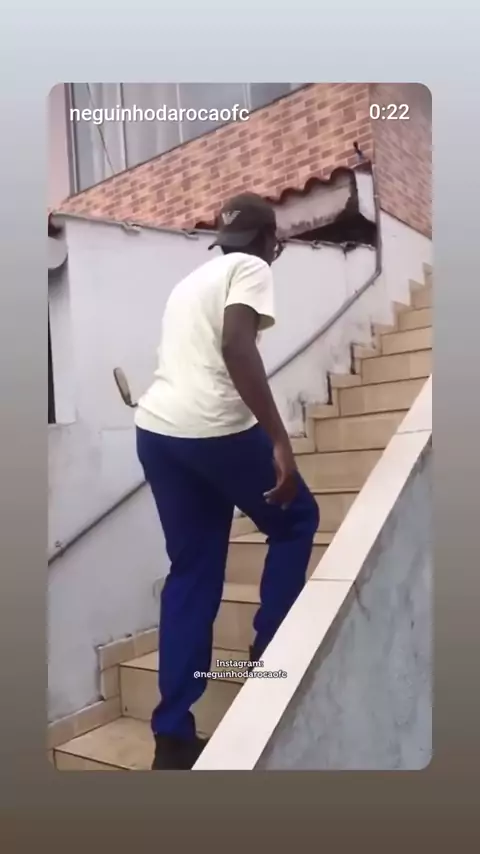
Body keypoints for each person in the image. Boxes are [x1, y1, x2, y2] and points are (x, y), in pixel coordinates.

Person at [135, 192, 320, 770]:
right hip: (214, 429)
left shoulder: (191, 281)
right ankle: (269, 657)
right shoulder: (253, 267)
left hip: (158, 432)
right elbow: (236, 344)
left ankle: (172, 736)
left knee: (193, 571)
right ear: (270, 239)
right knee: (296, 519)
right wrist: (279, 439)